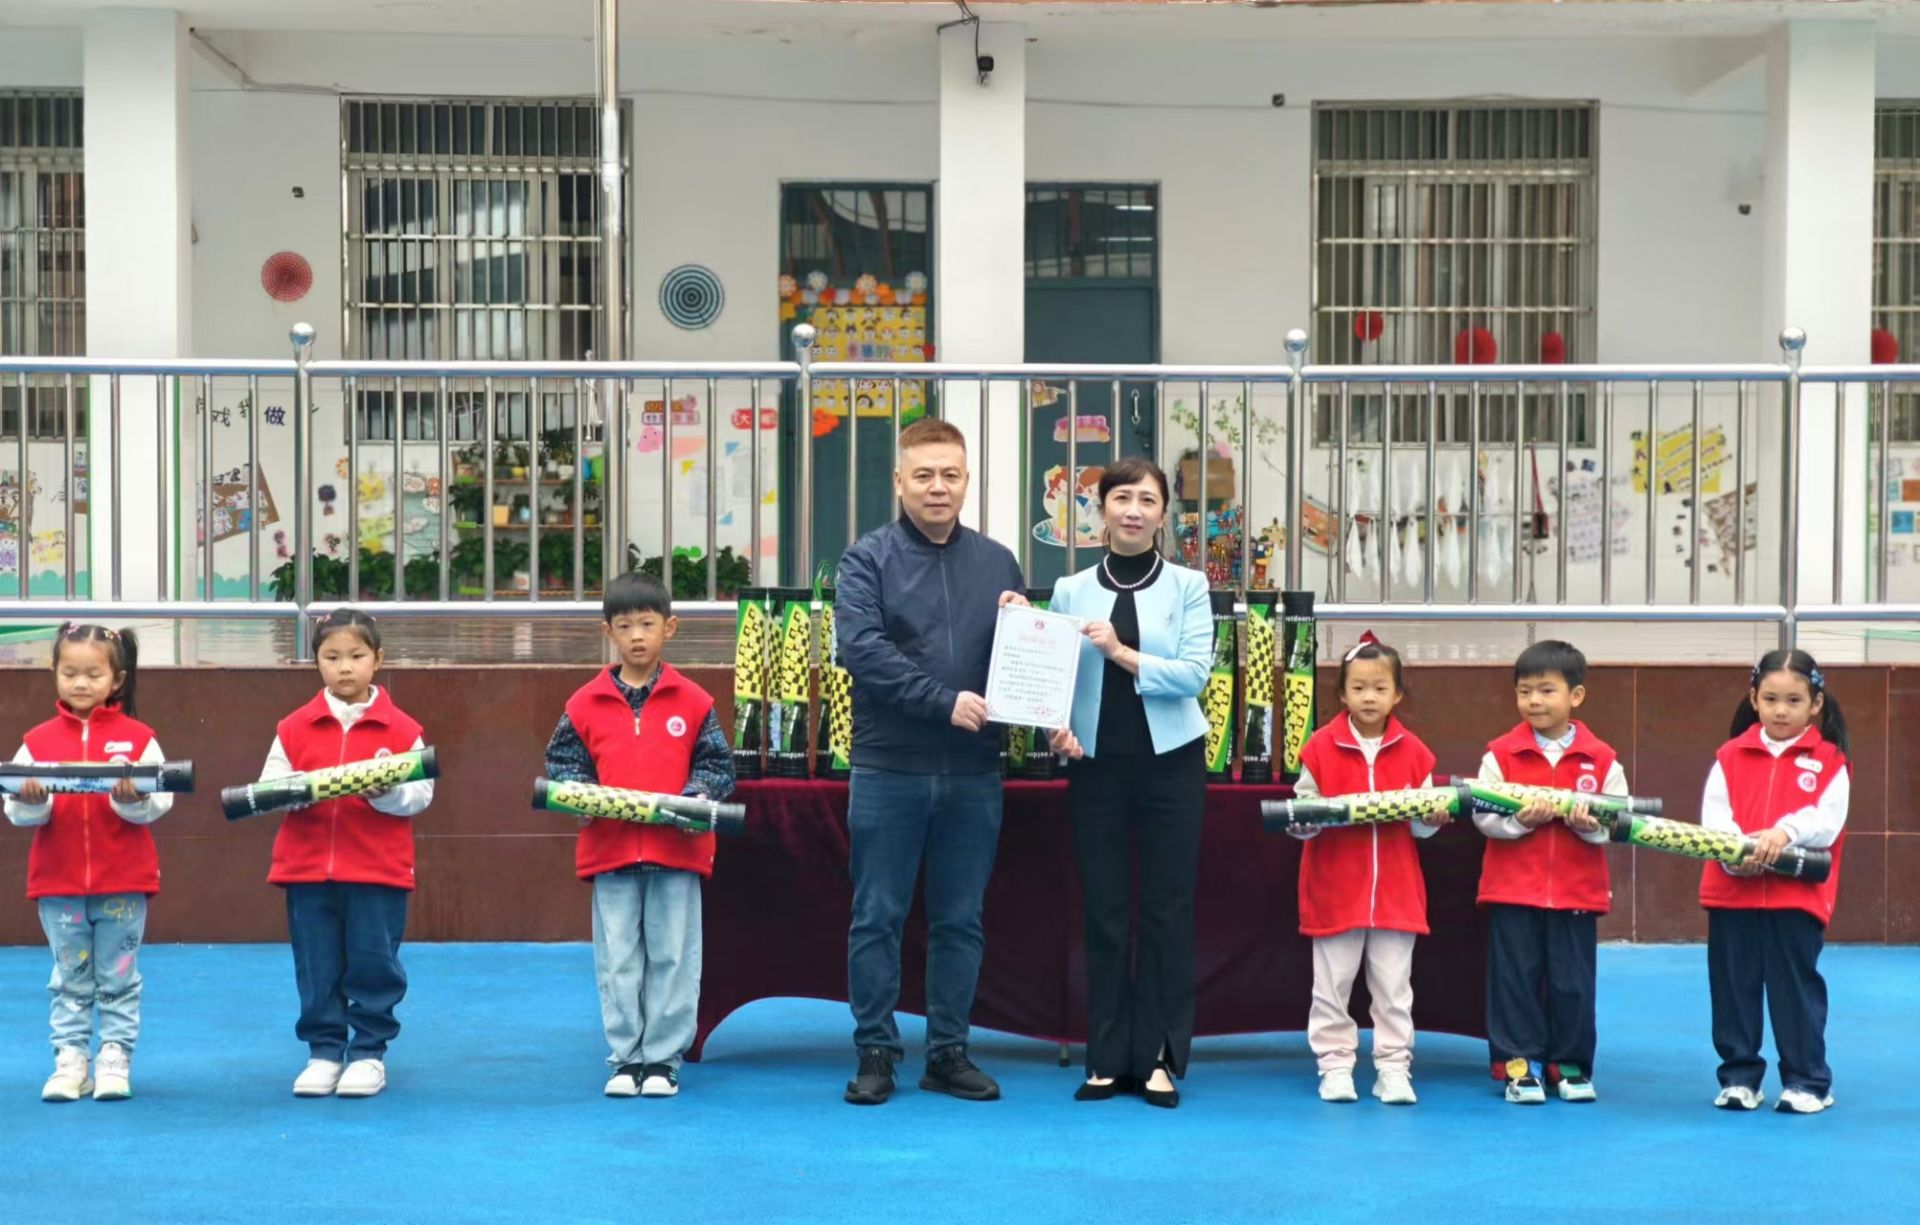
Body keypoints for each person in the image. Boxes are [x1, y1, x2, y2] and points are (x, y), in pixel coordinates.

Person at [835, 417, 1025, 1106]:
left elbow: (1020, 662)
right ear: (899, 481)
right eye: (924, 474)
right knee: (877, 916)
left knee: (960, 919)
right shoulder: (866, 560)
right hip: (889, 767)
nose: (937, 486)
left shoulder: (999, 563)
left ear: (967, 480)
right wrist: (942, 701)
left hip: (974, 770)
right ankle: (875, 1051)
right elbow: (863, 650)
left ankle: (948, 1051)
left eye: (950, 474)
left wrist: (1025, 627)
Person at [1043, 457, 1212, 1109]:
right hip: (1096, 766)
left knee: (1168, 910)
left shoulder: (1189, 585)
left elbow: (1194, 674)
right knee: (1105, 910)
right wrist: (1056, 728)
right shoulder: (1069, 589)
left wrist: (1120, 652)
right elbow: (1054, 676)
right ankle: (1107, 1057)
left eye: (1147, 499)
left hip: (1172, 762)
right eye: (1121, 498)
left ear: (1164, 513)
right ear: (1102, 509)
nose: (1133, 510)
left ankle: (1160, 1057)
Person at [545, 572, 735, 1099]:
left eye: (647, 625)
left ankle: (663, 1059)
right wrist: (581, 796)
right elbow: (563, 763)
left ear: (669, 628)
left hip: (677, 853)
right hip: (611, 854)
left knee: (674, 957)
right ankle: (626, 1057)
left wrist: (695, 798)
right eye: (625, 626)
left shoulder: (693, 700)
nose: (636, 636)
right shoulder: (584, 702)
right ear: (607, 631)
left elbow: (717, 766)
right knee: (618, 960)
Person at [259, 608, 434, 1099]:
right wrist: (294, 791)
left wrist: (386, 794)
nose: (344, 667)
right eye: (331, 657)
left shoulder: (402, 729)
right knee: (316, 963)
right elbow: (270, 785)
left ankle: (368, 1052)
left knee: (374, 961)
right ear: (316, 662)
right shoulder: (293, 727)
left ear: (378, 659)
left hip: (377, 872)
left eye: (356, 656)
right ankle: (324, 1051)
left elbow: (420, 794)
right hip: (307, 871)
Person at [5, 624, 172, 1102]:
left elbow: (161, 801)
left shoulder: (139, 739)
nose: (80, 683)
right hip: (57, 884)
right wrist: (34, 800)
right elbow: (15, 809)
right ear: (54, 672)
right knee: (70, 977)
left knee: (118, 975)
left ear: (116, 679)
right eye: (69, 673)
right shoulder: (35, 741)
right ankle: (70, 1060)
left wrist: (131, 799)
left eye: (93, 674)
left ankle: (114, 1057)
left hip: (123, 882)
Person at [1286, 633, 1449, 1106]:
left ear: (1397, 694)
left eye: (1380, 688)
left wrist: (1430, 819)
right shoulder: (1319, 747)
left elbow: (1421, 828)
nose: (1369, 697)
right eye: (1358, 688)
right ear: (1342, 694)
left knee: (1395, 989)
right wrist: (1306, 820)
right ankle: (1335, 1066)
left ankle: (1393, 1068)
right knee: (1331, 987)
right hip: (1335, 890)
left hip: (1397, 892)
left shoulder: (1415, 752)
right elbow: (1303, 814)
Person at [1472, 639, 1627, 1106]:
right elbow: (1482, 814)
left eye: (1546, 691)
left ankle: (1570, 1066)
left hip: (1576, 893)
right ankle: (1520, 1067)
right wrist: (1520, 821)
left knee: (1572, 984)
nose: (1534, 701)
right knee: (1514, 981)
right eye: (1524, 692)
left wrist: (1588, 827)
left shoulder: (1602, 759)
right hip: (1512, 891)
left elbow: (1618, 820)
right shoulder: (1500, 754)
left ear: (1575, 696)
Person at [1701, 649, 1848, 1114]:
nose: (1781, 711)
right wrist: (1735, 855)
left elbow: (1826, 822)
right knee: (1733, 986)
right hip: (1732, 895)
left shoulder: (1830, 761)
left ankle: (1807, 1081)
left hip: (1796, 897)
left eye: (1794, 700)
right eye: (1770, 699)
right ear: (1754, 699)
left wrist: (1784, 832)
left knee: (1794, 988)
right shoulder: (1729, 755)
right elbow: (1715, 817)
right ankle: (1739, 1077)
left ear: (1815, 703)